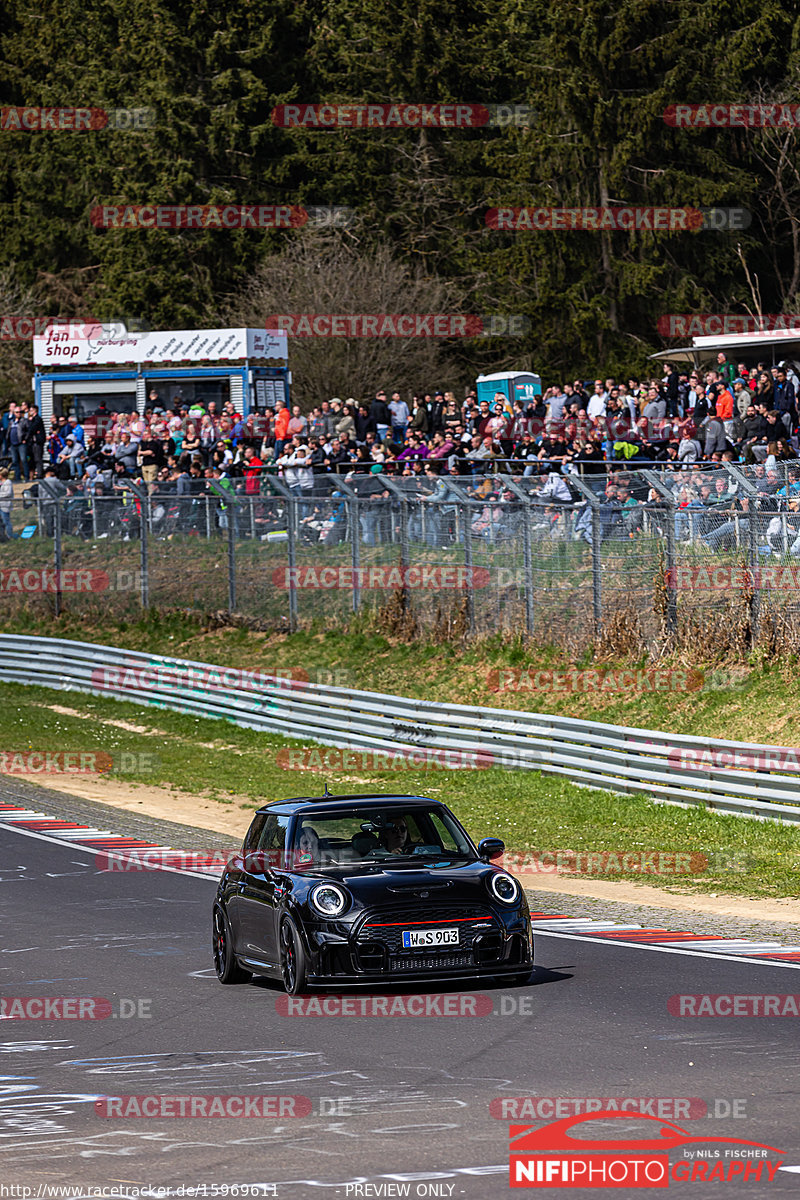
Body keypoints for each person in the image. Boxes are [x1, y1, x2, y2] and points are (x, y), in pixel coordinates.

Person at [0, 468, 13, 539]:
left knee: (6, 521)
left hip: (5, 505)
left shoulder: (8, 482)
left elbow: (8, 493)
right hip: (0, 505)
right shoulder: (1, 483)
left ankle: (9, 535)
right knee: (1, 522)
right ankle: (2, 535)